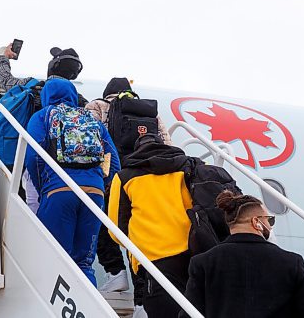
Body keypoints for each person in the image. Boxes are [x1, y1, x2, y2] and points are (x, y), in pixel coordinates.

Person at [87, 78, 172, 317]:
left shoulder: (97, 106)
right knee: (138, 234)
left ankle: (115, 273)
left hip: (114, 176)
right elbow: (167, 143)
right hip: (145, 178)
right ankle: (142, 301)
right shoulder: (150, 113)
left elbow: (91, 141)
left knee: (104, 223)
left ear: (108, 93)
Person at [25, 78, 120, 286]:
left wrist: (44, 187)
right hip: (93, 193)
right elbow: (113, 160)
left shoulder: (42, 116)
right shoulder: (91, 119)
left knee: (55, 258)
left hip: (59, 190)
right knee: (85, 263)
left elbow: (33, 156)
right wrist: (101, 187)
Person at [180, 190, 304, 318]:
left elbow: (188, 313)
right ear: (256, 222)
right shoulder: (291, 262)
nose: (270, 226)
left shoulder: (203, 262)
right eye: (269, 220)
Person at [108, 133, 193, 318]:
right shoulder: (184, 167)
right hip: (190, 253)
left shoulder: (124, 176)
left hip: (153, 258)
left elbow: (115, 226)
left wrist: (134, 243)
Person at [0, 43, 88, 213]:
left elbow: (6, 80)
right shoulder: (80, 102)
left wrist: (4, 58)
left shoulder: (32, 86)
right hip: (66, 172)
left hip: (27, 163)